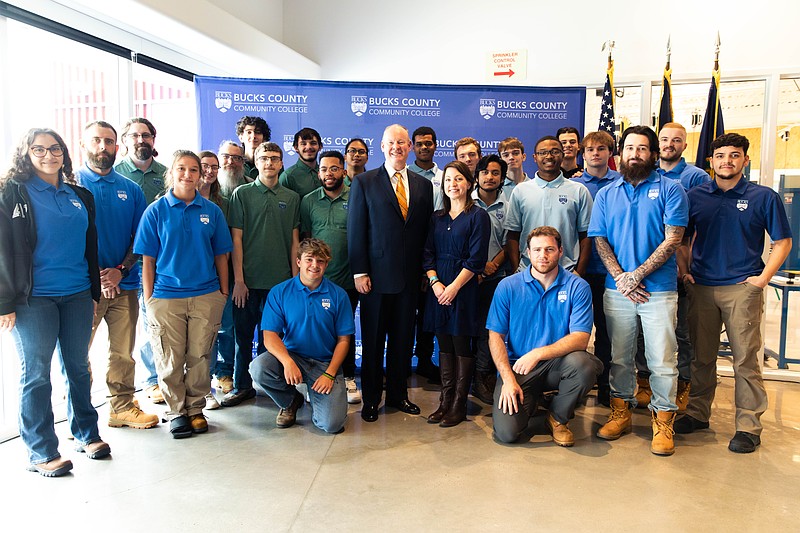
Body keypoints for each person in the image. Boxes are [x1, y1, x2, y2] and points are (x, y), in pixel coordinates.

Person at [1, 128, 109, 477]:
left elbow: (89, 246)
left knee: (77, 367)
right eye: (39, 149)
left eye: (55, 148)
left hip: (77, 293)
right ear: (26, 154)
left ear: (64, 152)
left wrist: (93, 292)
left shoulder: (79, 194)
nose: (49, 155)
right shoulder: (12, 193)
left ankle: (86, 434)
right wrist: (4, 301)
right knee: (36, 376)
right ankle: (41, 451)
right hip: (33, 299)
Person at [677, 133, 792, 453]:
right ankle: (698, 414)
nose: (727, 160)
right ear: (711, 162)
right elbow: (682, 240)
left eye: (734, 155)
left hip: (743, 287)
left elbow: (783, 242)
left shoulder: (763, 197)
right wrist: (685, 272)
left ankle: (748, 426)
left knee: (745, 361)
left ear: (745, 160)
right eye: (721, 156)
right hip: (701, 287)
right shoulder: (696, 196)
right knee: (701, 358)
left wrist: (762, 279)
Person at [589, 125, 688, 456]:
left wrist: (638, 275)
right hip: (617, 290)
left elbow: (673, 238)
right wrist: (620, 276)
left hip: (658, 291)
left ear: (653, 153)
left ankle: (663, 422)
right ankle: (621, 413)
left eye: (642, 148)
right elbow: (599, 238)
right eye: (629, 148)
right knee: (619, 358)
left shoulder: (672, 190)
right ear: (621, 154)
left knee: (661, 360)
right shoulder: (606, 193)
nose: (635, 154)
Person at [134, 150, 232, 438]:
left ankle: (195, 408)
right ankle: (176, 411)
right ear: (171, 173)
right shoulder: (156, 211)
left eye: (193, 170)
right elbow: (147, 260)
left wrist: (222, 293)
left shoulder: (211, 211)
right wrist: (150, 299)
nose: (187, 175)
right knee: (169, 357)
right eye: (181, 169)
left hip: (206, 294)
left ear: (200, 175)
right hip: (165, 297)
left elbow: (221, 256)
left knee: (200, 355)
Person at [347, 124, 434, 422]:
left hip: (411, 280)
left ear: (409, 146)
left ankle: (399, 396)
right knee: (372, 342)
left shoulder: (424, 186)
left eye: (401, 142)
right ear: (382, 147)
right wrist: (360, 271)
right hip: (375, 279)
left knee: (402, 341)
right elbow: (356, 230)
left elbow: (425, 234)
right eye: (390, 143)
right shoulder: (364, 182)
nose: (396, 147)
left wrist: (426, 271)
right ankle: (371, 399)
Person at [75, 121, 158, 429]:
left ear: (116, 147)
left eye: (108, 142)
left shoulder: (131, 190)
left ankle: (121, 408)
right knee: (77, 354)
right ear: (83, 145)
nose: (103, 147)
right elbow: (67, 238)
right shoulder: (71, 185)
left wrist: (119, 271)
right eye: (96, 140)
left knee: (123, 352)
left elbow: (142, 239)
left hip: (125, 285)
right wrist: (97, 276)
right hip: (83, 289)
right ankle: (79, 417)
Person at [488, 226, 600, 446]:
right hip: (519, 367)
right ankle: (535, 399)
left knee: (585, 365)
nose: (543, 255)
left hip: (558, 365)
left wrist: (538, 353)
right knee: (507, 434)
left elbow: (580, 338)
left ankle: (557, 418)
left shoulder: (578, 287)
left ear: (560, 251)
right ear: (527, 253)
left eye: (549, 249)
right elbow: (495, 337)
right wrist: (509, 379)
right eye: (537, 249)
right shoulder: (508, 286)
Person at [634, 122, 712, 410]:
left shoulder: (696, 177)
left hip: (681, 268)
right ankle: (644, 382)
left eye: (676, 140)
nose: (669, 144)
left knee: (681, 333)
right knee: (644, 333)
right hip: (647, 270)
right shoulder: (643, 177)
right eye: (664, 139)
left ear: (685, 145)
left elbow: (697, 228)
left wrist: (688, 265)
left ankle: (683, 385)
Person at [249, 238, 355, 433]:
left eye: (321, 261)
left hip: (324, 363)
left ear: (326, 264)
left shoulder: (338, 295)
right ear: (298, 261)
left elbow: (344, 340)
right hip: (293, 357)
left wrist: (329, 374)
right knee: (259, 368)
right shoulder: (279, 292)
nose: (315, 265)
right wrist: (287, 362)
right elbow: (270, 336)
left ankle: (320, 401)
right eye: (309, 259)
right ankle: (291, 401)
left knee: (331, 424)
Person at [224, 142, 300, 407]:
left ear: (281, 164)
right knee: (242, 338)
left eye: (275, 159)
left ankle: (272, 387)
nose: (269, 163)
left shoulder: (291, 198)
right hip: (248, 283)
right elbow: (236, 239)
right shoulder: (242, 194)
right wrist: (240, 280)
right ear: (255, 162)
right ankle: (242, 386)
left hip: (279, 286)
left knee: (273, 341)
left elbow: (294, 242)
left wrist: (294, 282)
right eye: (264, 158)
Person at [423, 161, 490, 426]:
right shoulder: (436, 218)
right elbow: (427, 255)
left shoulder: (478, 216)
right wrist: (436, 284)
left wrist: (453, 288)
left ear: (470, 183)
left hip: (463, 289)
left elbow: (476, 260)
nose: (453, 184)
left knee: (461, 344)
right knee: (444, 344)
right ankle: (445, 401)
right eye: (448, 180)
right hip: (437, 290)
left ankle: (459, 404)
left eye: (459, 179)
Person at [300, 150, 361, 404]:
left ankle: (347, 377)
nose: (328, 174)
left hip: (347, 280)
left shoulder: (356, 197)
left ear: (344, 171)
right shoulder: (308, 201)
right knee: (314, 328)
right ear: (318, 172)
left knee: (344, 331)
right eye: (324, 169)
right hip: (316, 282)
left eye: (334, 169)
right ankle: (310, 378)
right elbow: (304, 240)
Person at [115, 117, 166, 404]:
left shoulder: (166, 173)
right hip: (122, 264)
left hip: (157, 264)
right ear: (125, 140)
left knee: (152, 324)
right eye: (134, 136)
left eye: (146, 135)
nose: (140, 140)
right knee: (123, 334)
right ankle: (133, 387)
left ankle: (153, 379)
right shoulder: (116, 173)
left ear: (153, 140)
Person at [572, 131, 622, 406]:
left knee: (607, 333)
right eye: (589, 149)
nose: (595, 153)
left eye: (601, 149)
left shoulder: (622, 183)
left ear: (610, 153)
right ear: (582, 154)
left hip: (611, 272)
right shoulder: (575, 185)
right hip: (578, 271)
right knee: (574, 332)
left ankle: (606, 389)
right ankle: (574, 387)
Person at [504, 136, 593, 276]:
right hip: (527, 272)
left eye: (555, 151)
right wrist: (517, 271)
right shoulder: (521, 191)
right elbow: (512, 235)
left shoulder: (579, 190)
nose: (549, 156)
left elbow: (586, 236)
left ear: (562, 155)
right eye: (542, 152)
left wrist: (579, 272)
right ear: (534, 157)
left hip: (567, 272)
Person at [197, 150, 235, 408]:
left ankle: (225, 372)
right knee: (204, 334)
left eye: (214, 167)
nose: (210, 171)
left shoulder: (224, 202)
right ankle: (204, 383)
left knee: (227, 328)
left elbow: (227, 244)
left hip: (223, 275)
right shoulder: (179, 200)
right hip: (196, 279)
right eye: (204, 166)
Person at [471, 154, 510, 405]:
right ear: (477, 176)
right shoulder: (466, 201)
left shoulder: (510, 203)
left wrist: (492, 265)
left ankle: (483, 377)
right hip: (468, 276)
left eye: (495, 173)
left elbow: (512, 239)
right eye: (484, 172)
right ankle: (465, 377)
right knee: (468, 329)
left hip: (498, 277)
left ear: (502, 178)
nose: (489, 177)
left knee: (489, 330)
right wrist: (476, 268)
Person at [409, 126, 443, 382]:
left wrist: (428, 268)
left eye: (428, 143)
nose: (424, 147)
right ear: (412, 146)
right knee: (406, 315)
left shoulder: (444, 177)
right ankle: (401, 358)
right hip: (407, 259)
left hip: (434, 257)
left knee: (429, 316)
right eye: (419, 143)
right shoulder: (403, 176)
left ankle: (424, 359)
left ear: (435, 145)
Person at [280, 127, 322, 199]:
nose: (308, 147)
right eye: (303, 143)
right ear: (296, 148)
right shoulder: (288, 176)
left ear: (320, 147)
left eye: (313, 143)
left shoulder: (326, 173)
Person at [236, 116, 271, 180]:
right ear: (241, 137)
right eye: (249, 132)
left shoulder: (272, 161)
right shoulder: (234, 161)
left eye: (258, 132)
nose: (253, 136)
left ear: (264, 138)